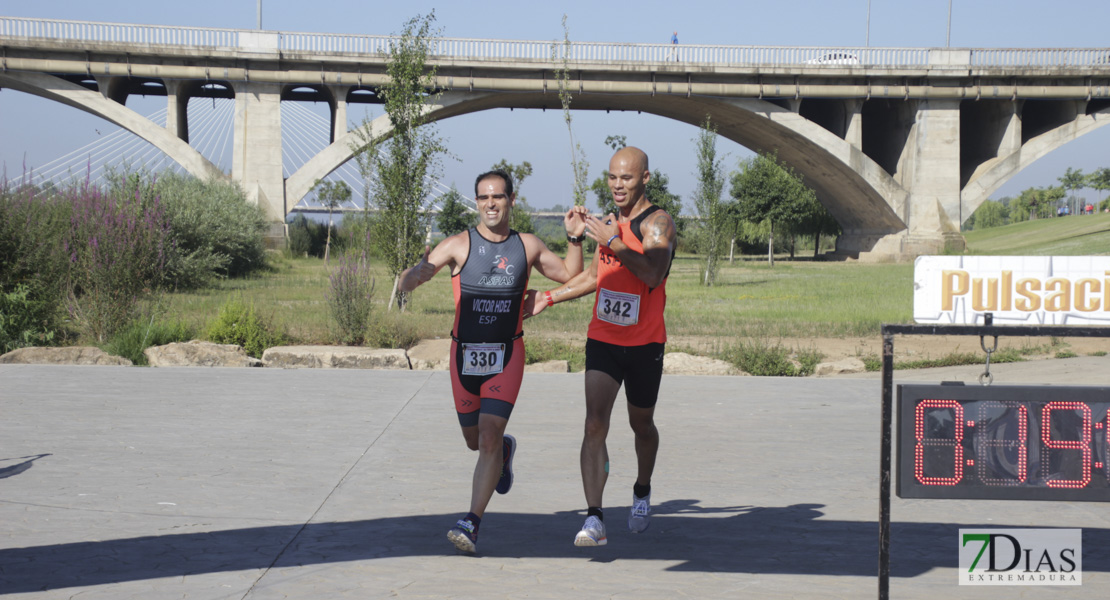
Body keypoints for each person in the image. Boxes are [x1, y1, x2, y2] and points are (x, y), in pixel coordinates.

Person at [400, 170, 587, 554]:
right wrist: (413, 276)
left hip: (507, 355)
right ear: (476, 202)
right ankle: (504, 451)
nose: (490, 204)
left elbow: (571, 274)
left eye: (497, 197)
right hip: (463, 357)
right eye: (483, 197)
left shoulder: (528, 246)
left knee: (487, 435)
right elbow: (406, 281)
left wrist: (574, 237)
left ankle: (471, 521)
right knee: (475, 441)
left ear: (511, 200)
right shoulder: (457, 245)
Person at [529, 146, 677, 546]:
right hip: (604, 338)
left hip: (645, 344)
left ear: (645, 178)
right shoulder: (607, 223)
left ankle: (642, 490)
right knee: (594, 424)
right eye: (612, 177)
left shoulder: (657, 222)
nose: (617, 185)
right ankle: (594, 517)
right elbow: (595, 275)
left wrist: (616, 239)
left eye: (626, 178)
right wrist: (549, 298)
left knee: (641, 425)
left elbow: (652, 273)